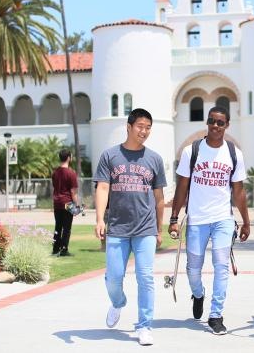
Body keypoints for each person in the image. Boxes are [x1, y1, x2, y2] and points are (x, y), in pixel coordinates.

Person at [168, 106, 251, 335]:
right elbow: (182, 187)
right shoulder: (191, 151)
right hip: (197, 220)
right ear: (207, 122)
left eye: (220, 122)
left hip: (223, 218)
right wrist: (174, 218)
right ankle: (198, 293)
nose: (215, 126)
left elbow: (239, 191)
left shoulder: (234, 153)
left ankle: (216, 315)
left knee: (221, 266)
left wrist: (246, 221)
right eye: (212, 121)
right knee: (193, 269)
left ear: (227, 125)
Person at [94, 108, 166, 346]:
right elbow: (103, 188)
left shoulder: (154, 159)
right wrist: (99, 219)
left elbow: (158, 197)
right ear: (129, 126)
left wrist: (159, 228)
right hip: (117, 227)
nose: (144, 131)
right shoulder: (110, 156)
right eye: (140, 126)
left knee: (145, 278)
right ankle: (117, 303)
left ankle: (144, 326)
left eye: (148, 127)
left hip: (145, 228)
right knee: (114, 278)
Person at [52, 148, 79, 257]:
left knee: (58, 226)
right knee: (67, 228)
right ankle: (64, 249)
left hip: (57, 202)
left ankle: (55, 248)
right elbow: (73, 192)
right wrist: (76, 205)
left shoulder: (55, 172)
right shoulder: (71, 173)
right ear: (69, 158)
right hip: (68, 202)